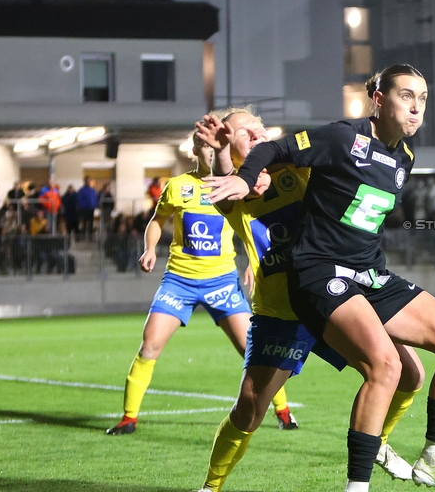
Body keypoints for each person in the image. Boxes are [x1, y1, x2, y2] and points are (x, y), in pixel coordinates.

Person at [203, 64, 435, 492]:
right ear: (378, 99)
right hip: (318, 276)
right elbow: (273, 150)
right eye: (405, 95)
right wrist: (239, 173)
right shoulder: (342, 138)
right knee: (385, 368)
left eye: (422, 97)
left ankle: (434, 456)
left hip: (367, 276)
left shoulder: (405, 159)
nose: (416, 106)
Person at [176, 108, 424, 492]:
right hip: (281, 310)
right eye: (242, 133)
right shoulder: (230, 188)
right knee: (250, 407)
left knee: (407, 371)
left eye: (258, 127)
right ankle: (210, 489)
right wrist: (221, 156)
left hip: (336, 295)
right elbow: (233, 183)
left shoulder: (300, 169)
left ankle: (376, 440)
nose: (254, 135)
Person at [105, 132, 297, 436]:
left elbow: (253, 222)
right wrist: (149, 248)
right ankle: (129, 418)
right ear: (196, 149)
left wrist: (251, 262)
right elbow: (157, 220)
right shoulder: (178, 185)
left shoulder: (236, 185)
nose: (211, 153)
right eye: (207, 148)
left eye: (217, 148)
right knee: (150, 345)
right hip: (179, 281)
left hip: (221, 281)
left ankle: (284, 411)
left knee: (254, 348)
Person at [76, 176, 99, 241]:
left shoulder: (92, 190)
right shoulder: (82, 190)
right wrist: (82, 206)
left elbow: (95, 198)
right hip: (84, 209)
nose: (88, 182)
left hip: (91, 209)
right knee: (85, 223)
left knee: (91, 223)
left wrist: (95, 205)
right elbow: (79, 200)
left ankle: (90, 237)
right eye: (87, 180)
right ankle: (83, 237)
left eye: (89, 180)